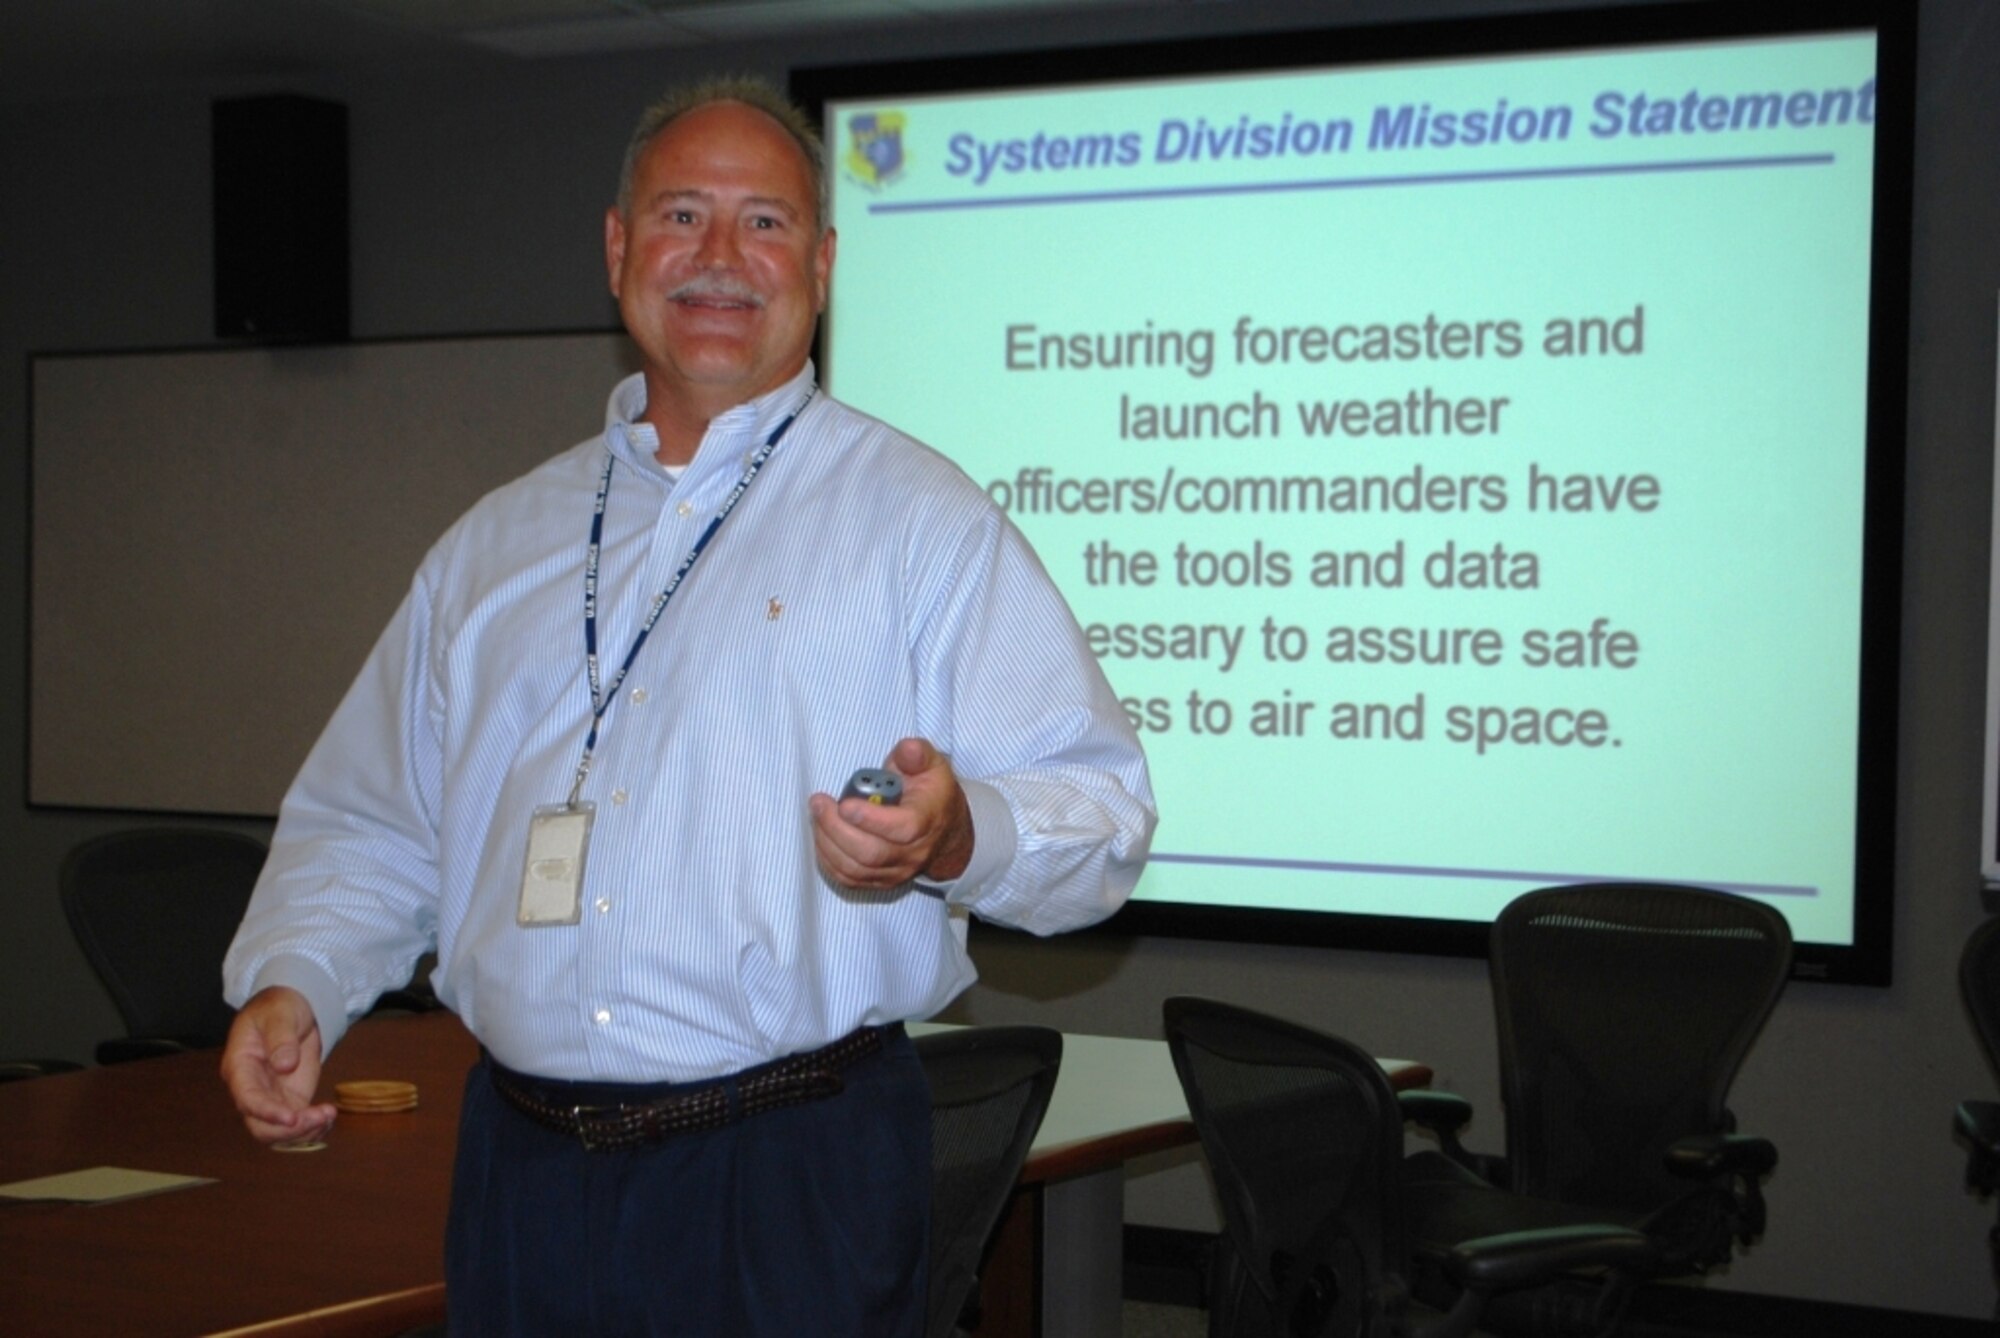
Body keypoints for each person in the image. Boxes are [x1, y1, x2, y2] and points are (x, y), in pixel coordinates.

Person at [219, 76, 1156, 1335]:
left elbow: (1099, 813)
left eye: (763, 224)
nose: (720, 257)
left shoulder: (923, 527)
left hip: (787, 1175)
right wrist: (297, 981)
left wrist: (956, 834)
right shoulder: (493, 548)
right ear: (618, 251)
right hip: (521, 1166)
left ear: (820, 265)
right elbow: (374, 821)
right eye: (681, 217)